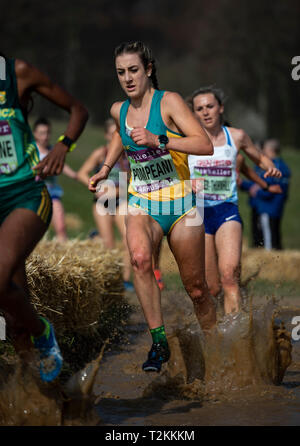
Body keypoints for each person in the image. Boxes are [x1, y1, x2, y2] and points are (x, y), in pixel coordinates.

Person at [88, 41, 216, 373]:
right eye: (120, 72)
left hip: (181, 202)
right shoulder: (119, 109)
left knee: (197, 289)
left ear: (147, 69)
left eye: (133, 70)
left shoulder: (169, 101)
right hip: (142, 200)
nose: (127, 78)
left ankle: (217, 349)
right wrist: (105, 168)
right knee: (140, 259)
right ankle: (159, 342)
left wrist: (160, 139)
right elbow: (121, 134)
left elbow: (203, 144)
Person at [0, 53, 88, 382]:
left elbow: (79, 110)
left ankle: (43, 331)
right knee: (11, 314)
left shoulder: (17, 73)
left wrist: (64, 145)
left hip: (24, 194)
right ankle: (36, 395)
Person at [187, 86, 281, 314]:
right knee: (212, 287)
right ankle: (215, 332)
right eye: (199, 109)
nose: (206, 112)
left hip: (226, 210)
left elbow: (257, 158)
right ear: (194, 114)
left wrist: (270, 169)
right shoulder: (187, 140)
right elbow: (171, 169)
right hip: (198, 214)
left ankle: (235, 337)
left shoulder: (236, 136)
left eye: (210, 106)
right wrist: (185, 183)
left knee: (229, 276)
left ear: (220, 108)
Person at [77, 117, 134, 291]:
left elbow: (132, 179)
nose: (114, 138)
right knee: (109, 244)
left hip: (121, 200)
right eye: (111, 134)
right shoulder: (101, 153)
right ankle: (111, 280)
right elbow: (82, 173)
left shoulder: (128, 155)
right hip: (102, 202)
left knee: (128, 241)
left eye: (117, 134)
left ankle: (125, 281)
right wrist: (95, 186)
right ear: (106, 136)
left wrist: (117, 191)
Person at [33, 117, 78, 242]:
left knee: (61, 226)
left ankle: (63, 252)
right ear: (35, 134)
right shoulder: (31, 151)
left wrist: (75, 175)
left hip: (52, 193)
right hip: (34, 194)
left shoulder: (53, 150)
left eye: (47, 132)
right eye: (42, 133)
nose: (45, 136)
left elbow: (61, 165)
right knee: (34, 230)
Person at [240, 139, 290, 250]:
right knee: (271, 236)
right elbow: (257, 183)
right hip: (268, 207)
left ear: (271, 150)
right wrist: (244, 185)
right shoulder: (273, 165)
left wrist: (257, 190)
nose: (262, 150)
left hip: (268, 207)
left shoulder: (275, 166)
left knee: (269, 240)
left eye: (265, 148)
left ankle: (271, 260)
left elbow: (270, 187)